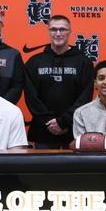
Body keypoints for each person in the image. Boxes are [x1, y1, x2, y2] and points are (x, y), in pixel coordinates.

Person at [23, 14, 94, 148]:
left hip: (73, 129)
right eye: (54, 29)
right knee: (43, 169)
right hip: (43, 131)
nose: (58, 33)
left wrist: (63, 122)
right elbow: (31, 97)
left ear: (70, 32)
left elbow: (85, 97)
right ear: (48, 31)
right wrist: (50, 121)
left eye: (63, 29)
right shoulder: (34, 62)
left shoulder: (84, 62)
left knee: (74, 169)